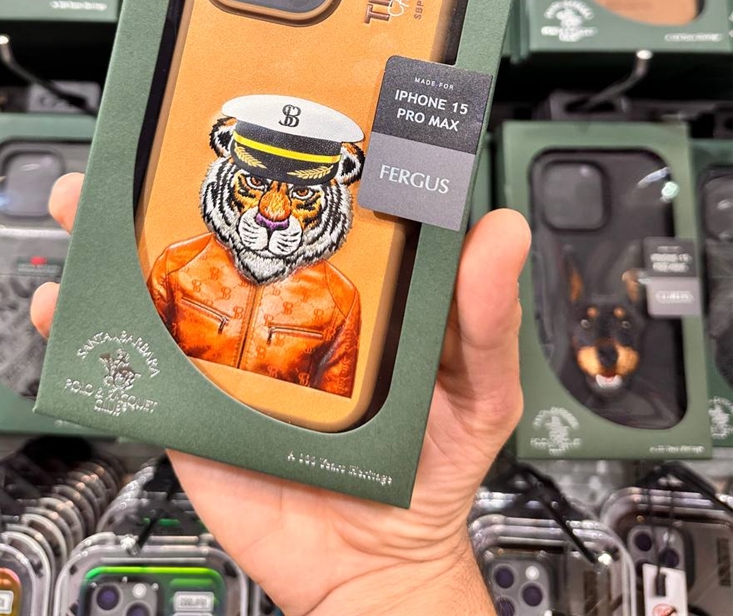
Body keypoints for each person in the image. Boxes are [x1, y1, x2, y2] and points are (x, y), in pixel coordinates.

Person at [31, 173, 530, 616]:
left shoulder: (339, 299)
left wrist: (400, 577)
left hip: (319, 498)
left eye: (305, 195)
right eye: (252, 185)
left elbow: (344, 415)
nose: (273, 213)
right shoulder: (176, 264)